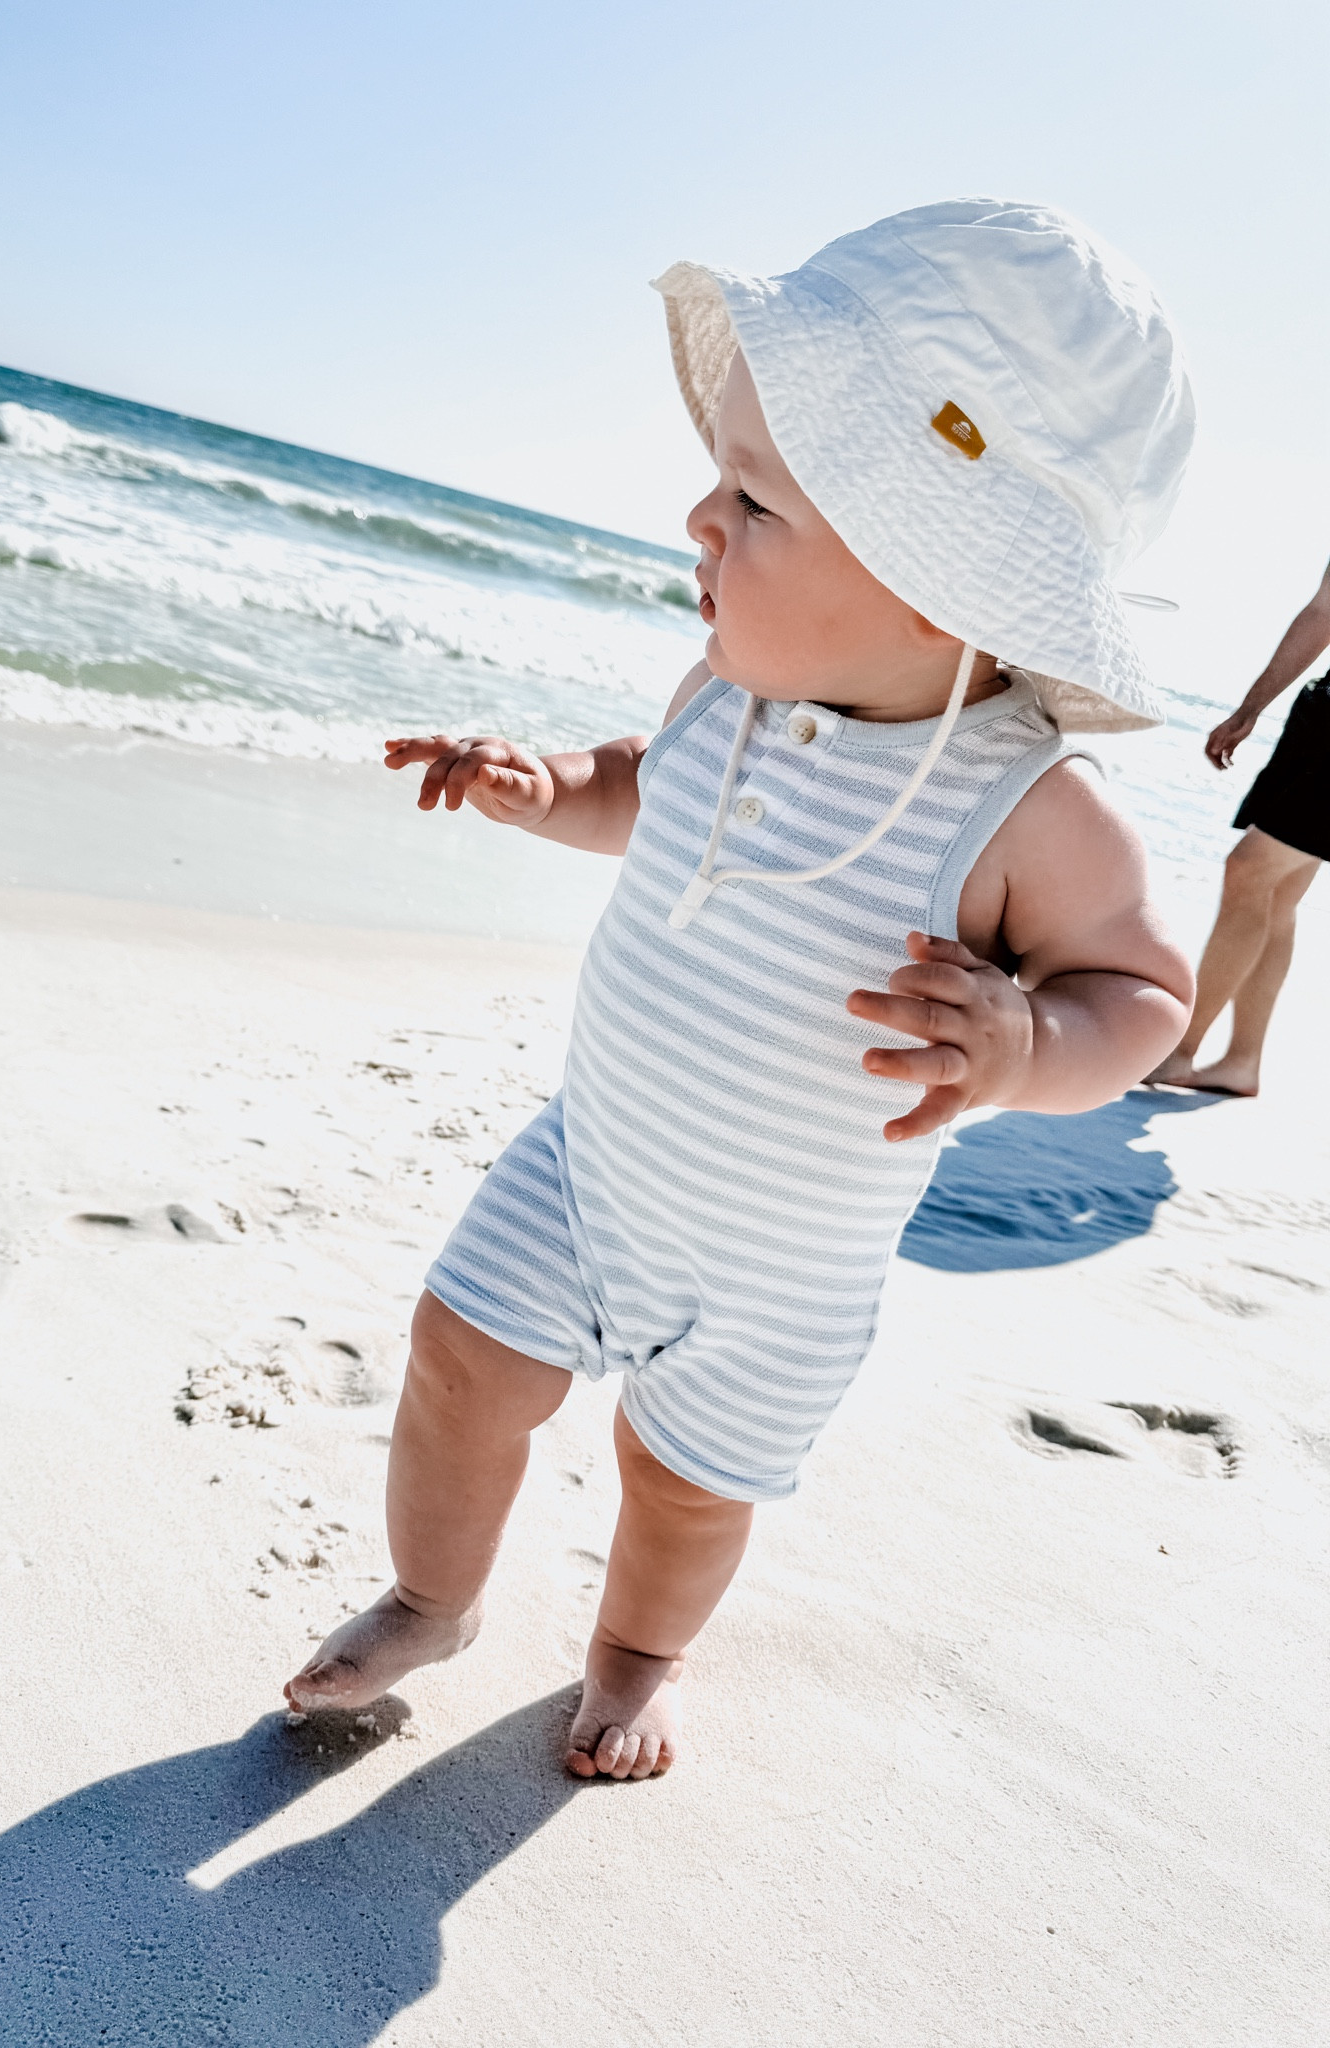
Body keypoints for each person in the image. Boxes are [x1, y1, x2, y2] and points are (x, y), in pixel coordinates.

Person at [284, 200, 1195, 1779]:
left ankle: (640, 1659)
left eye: (754, 501)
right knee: (455, 1356)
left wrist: (1026, 1042)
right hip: (592, 1167)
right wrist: (544, 781)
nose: (700, 520)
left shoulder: (1027, 809)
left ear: (932, 583)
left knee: (685, 1482)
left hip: (783, 1263)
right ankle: (434, 1597)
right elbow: (647, 787)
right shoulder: (730, 689)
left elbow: (1142, 995)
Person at [1146, 562, 1330, 1095]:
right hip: (1324, 715)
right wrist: (1253, 707)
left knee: (1251, 870)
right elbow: (1323, 611)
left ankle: (1179, 1053)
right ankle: (1242, 1061)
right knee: (1277, 894)